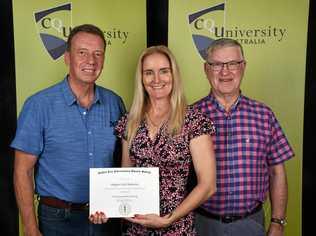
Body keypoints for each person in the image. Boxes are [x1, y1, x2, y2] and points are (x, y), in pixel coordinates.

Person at [11, 24, 125, 236]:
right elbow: (22, 171)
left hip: (106, 218)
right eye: (82, 53)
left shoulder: (114, 103)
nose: (91, 61)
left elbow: (124, 161)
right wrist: (30, 228)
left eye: (98, 54)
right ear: (67, 58)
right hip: (57, 220)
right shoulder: (38, 105)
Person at [89, 45, 217, 235]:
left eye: (164, 71)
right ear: (141, 78)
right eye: (149, 73)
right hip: (136, 229)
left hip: (177, 228)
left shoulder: (194, 121)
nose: (157, 80)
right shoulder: (129, 122)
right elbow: (125, 178)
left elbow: (208, 186)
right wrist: (109, 207)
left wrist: (169, 219)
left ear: (174, 75)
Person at [193, 38, 294, 236]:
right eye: (216, 65)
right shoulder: (190, 116)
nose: (225, 72)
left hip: (251, 224)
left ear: (243, 67)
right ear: (206, 69)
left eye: (233, 64)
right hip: (201, 224)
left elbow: (277, 173)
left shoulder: (264, 115)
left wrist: (277, 222)